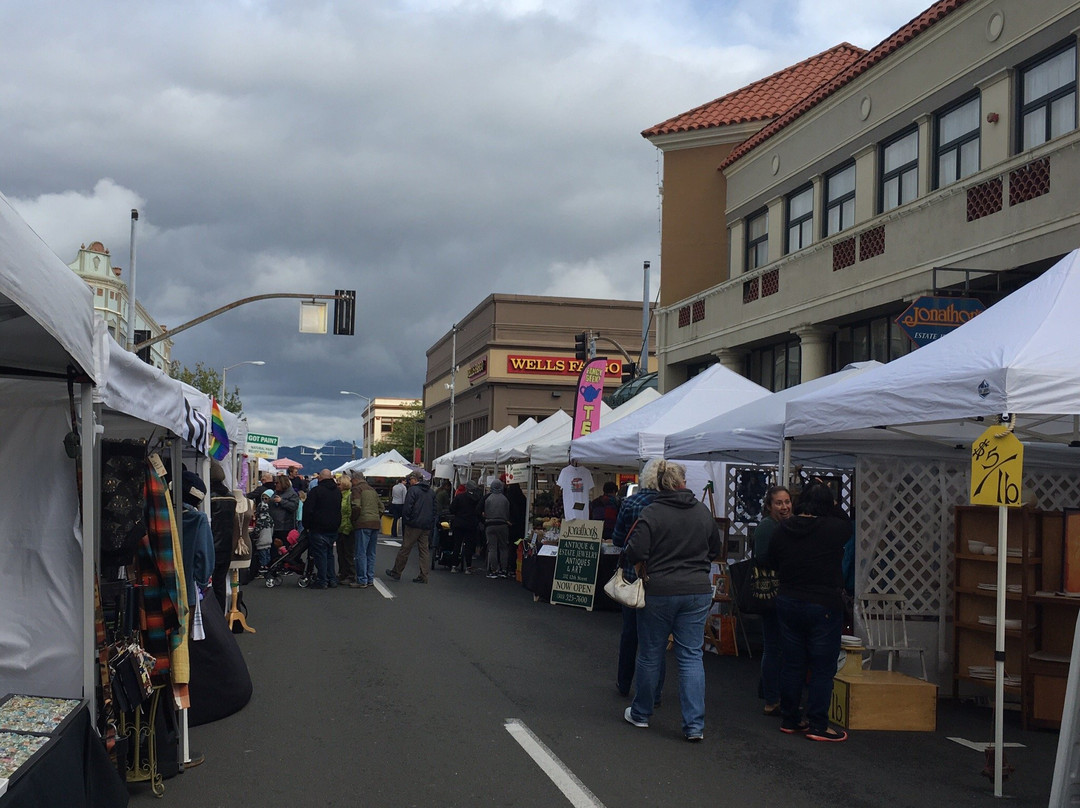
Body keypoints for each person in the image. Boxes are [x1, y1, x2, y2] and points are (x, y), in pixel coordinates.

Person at [623, 459, 721, 742]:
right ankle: (694, 725)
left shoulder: (652, 513)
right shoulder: (702, 512)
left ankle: (641, 713)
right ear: (682, 483)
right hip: (696, 589)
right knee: (691, 656)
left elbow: (635, 550)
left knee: (651, 652)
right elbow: (715, 548)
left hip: (660, 589)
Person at [767, 482, 851, 742]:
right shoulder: (834, 528)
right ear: (828, 505)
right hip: (823, 603)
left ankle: (791, 719)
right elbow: (846, 522)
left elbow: (771, 561)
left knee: (792, 662)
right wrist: (833, 504)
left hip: (788, 599)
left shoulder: (782, 529)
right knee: (822, 666)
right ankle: (818, 724)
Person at [611, 459, 665, 701]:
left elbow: (617, 539)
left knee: (630, 634)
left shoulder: (631, 503)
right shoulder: (669, 506)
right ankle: (655, 691)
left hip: (633, 576)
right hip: (661, 576)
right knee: (655, 639)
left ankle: (624, 682)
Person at [752, 485, 792, 716]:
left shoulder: (782, 525)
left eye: (787, 502)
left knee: (776, 646)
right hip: (773, 593)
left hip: (780, 593)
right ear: (769, 506)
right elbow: (762, 557)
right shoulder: (768, 527)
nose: (784, 506)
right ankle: (771, 698)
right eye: (779, 503)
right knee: (774, 646)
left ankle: (769, 691)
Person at [386, 472, 436, 583]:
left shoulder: (413, 490)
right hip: (426, 525)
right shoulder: (431, 492)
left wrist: (407, 520)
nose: (409, 481)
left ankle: (397, 571)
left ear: (415, 479)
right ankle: (424, 575)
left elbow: (408, 507)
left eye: (411, 479)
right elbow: (434, 509)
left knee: (405, 548)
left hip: (414, 524)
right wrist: (430, 522)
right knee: (424, 550)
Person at [303, 469, 343, 589]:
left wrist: (307, 525)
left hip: (318, 527)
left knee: (321, 555)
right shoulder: (337, 492)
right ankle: (332, 579)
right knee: (329, 554)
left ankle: (322, 580)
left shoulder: (316, 491)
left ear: (320, 478)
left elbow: (308, 510)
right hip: (333, 527)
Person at [349, 472, 382, 588]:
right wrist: (376, 516)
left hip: (363, 523)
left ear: (355, 480)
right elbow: (381, 507)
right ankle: (370, 578)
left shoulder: (357, 489)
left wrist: (353, 519)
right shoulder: (372, 490)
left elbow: (356, 506)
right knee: (371, 553)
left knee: (361, 552)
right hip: (375, 523)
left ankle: (362, 579)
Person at [449, 481, 483, 573]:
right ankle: (468, 567)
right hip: (471, 524)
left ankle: (454, 566)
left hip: (459, 523)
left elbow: (452, 509)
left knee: (457, 544)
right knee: (469, 546)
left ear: (466, 488)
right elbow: (479, 511)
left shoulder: (459, 497)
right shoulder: (477, 499)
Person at [481, 479, 511, 578]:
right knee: (503, 548)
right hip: (503, 524)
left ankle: (493, 570)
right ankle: (503, 569)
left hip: (490, 524)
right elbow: (507, 513)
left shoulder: (488, 499)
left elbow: (485, 512)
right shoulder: (505, 499)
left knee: (492, 548)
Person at [336, 476, 356, 584]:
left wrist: (348, 528)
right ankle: (342, 573)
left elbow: (349, 513)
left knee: (348, 553)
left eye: (339, 484)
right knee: (340, 553)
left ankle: (351, 574)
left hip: (347, 528)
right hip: (340, 527)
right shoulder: (340, 496)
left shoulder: (349, 496)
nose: (337, 486)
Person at [268, 475, 299, 545]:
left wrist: (281, 501)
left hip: (285, 527)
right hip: (274, 525)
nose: (275, 485)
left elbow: (294, 506)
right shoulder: (275, 492)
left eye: (277, 483)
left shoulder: (292, 494)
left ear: (282, 483)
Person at [253, 490, 274, 573]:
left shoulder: (261, 520)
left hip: (261, 541)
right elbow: (272, 528)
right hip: (269, 539)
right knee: (267, 554)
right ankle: (267, 567)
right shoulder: (270, 519)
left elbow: (257, 530)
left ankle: (263, 568)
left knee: (262, 555)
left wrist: (255, 537)